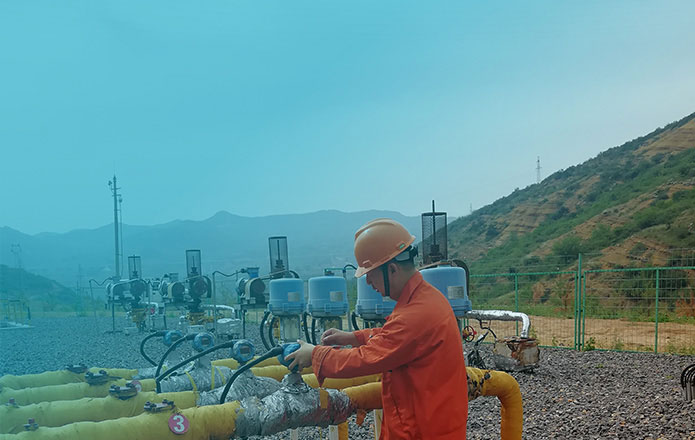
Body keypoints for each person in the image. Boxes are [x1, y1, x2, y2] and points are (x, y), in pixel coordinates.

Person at [286, 218, 468, 439]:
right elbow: (394, 337)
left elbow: (367, 358)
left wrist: (315, 354)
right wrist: (354, 337)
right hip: (428, 423)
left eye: (370, 274)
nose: (369, 283)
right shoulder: (424, 299)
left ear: (391, 269)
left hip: (423, 431)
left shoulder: (416, 314)